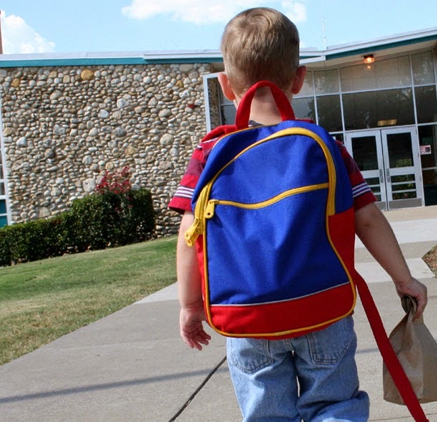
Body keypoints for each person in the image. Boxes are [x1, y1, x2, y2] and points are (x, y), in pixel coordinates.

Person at [168, 7, 428, 422]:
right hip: (322, 307)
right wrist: (404, 278)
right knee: (336, 405)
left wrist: (190, 305)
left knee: (266, 413)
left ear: (224, 86)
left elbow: (189, 233)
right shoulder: (324, 146)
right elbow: (368, 218)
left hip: (247, 315)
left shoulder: (209, 154)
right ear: (300, 77)